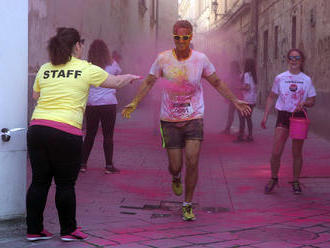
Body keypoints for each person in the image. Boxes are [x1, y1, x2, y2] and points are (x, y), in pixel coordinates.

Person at [122, 20, 251, 221]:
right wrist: (135, 102)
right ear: (173, 38)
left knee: (192, 161)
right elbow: (149, 81)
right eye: (177, 37)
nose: (181, 41)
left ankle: (187, 204)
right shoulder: (163, 59)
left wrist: (234, 100)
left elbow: (216, 82)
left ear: (191, 38)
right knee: (176, 166)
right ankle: (175, 176)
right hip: (169, 120)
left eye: (185, 37)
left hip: (194, 117)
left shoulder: (201, 59)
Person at [26, 27, 138, 242]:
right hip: (66, 131)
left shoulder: (45, 68)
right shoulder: (85, 68)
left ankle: (34, 230)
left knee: (39, 182)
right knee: (65, 184)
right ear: (77, 46)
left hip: (38, 128)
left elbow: (35, 94)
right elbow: (114, 82)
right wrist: (131, 77)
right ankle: (68, 231)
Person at [261, 48, 316, 195]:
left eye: (297, 58)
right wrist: (265, 115)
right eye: (291, 58)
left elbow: (312, 100)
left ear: (301, 61)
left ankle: (296, 181)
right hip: (283, 115)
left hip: (299, 117)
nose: (294, 60)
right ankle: (273, 178)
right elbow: (272, 96)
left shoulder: (306, 79)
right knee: (276, 150)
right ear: (287, 60)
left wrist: (304, 104)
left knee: (296, 152)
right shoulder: (280, 78)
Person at [80, 40, 122, 174]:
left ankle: (83, 164)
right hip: (109, 103)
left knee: (90, 135)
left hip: (92, 104)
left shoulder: (87, 66)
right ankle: (109, 166)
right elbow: (118, 77)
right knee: (108, 135)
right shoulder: (113, 65)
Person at [234, 58, 257, 142]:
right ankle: (250, 136)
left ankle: (241, 136)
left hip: (245, 99)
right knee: (249, 118)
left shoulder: (247, 74)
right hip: (252, 100)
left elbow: (247, 87)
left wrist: (238, 88)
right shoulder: (253, 75)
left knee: (242, 118)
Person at [222, 60, 242, 135]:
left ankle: (228, 129)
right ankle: (229, 129)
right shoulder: (239, 75)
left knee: (232, 114)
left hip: (236, 97)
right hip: (236, 97)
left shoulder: (238, 75)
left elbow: (227, 82)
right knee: (234, 114)